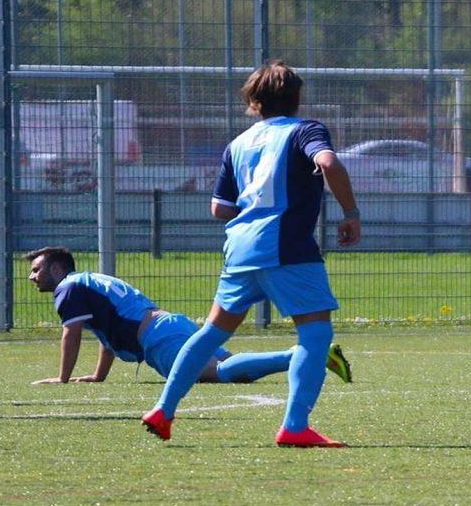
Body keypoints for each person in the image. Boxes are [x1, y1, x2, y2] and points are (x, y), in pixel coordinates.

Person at [142, 60, 361, 447]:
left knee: (211, 332)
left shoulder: (238, 144)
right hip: (287, 247)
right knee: (315, 333)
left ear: (254, 102)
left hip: (240, 248)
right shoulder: (306, 130)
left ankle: (163, 409)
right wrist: (351, 213)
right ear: (296, 98)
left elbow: (219, 209)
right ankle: (295, 427)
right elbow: (327, 162)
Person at [25, 246, 352, 386]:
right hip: (169, 326)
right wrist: (99, 376)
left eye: (37, 269)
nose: (32, 276)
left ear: (57, 268)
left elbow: (73, 333)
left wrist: (63, 378)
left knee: (222, 373)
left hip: (158, 338)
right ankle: (306, 356)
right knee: (235, 368)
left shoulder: (67, 288)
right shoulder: (88, 283)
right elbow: (108, 336)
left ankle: (306, 354)